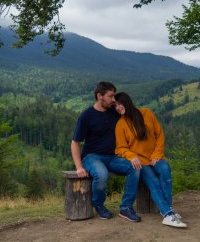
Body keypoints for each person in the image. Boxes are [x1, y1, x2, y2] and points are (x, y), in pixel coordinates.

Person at [114, 92, 187, 228]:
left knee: (165, 169)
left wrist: (157, 153)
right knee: (153, 181)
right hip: (141, 162)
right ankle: (168, 215)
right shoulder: (121, 124)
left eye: (119, 104)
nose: (117, 108)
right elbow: (120, 148)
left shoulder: (147, 113)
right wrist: (132, 156)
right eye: (115, 106)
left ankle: (167, 208)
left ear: (127, 102)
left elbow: (159, 134)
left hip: (155, 157)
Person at [71, 82, 141, 222]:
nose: (113, 99)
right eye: (110, 96)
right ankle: (98, 204)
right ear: (99, 96)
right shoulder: (87, 116)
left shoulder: (113, 113)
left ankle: (126, 207)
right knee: (101, 174)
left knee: (135, 168)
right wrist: (79, 166)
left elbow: (128, 119)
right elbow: (75, 142)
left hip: (114, 157)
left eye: (114, 96)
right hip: (92, 157)